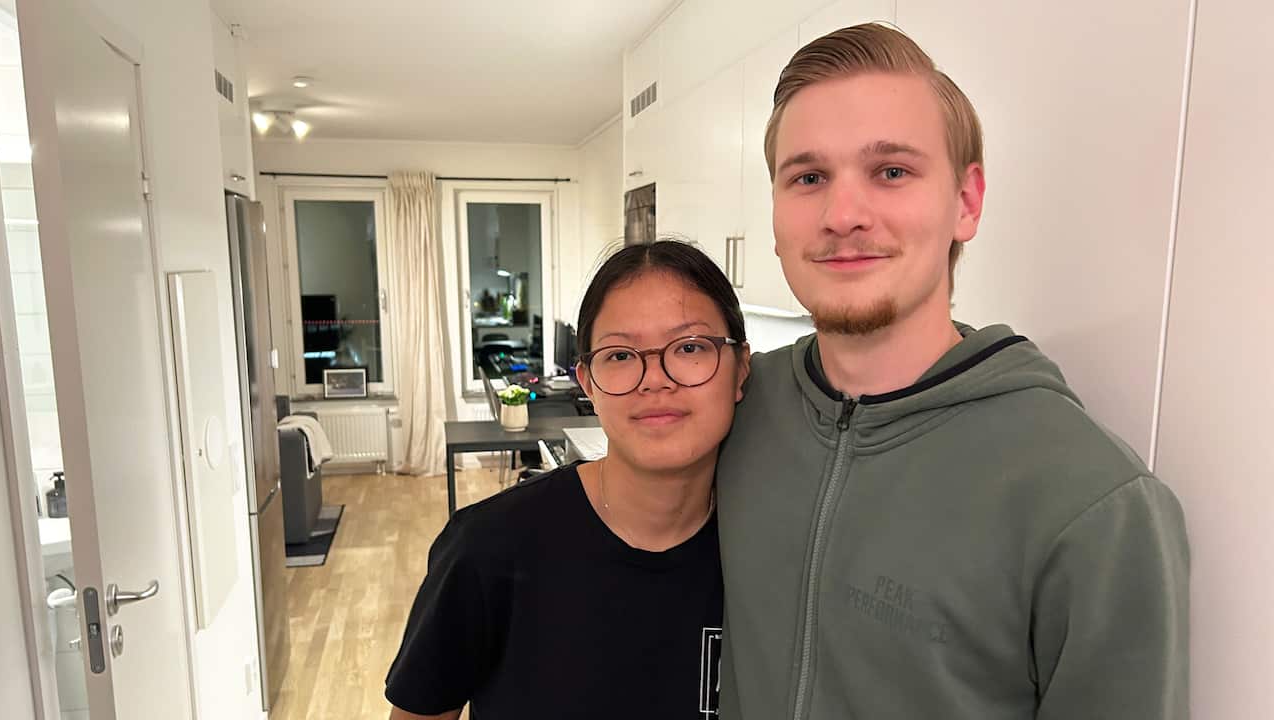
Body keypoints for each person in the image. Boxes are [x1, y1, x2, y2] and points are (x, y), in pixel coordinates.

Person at [716, 23, 1189, 719]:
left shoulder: (1096, 505)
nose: (843, 214)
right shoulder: (738, 408)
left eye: (892, 171)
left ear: (966, 202)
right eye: (809, 177)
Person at [385, 240, 750, 719]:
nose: (655, 379)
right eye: (620, 355)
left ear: (741, 368)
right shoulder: (489, 549)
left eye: (689, 347)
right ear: (587, 383)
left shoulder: (766, 561)